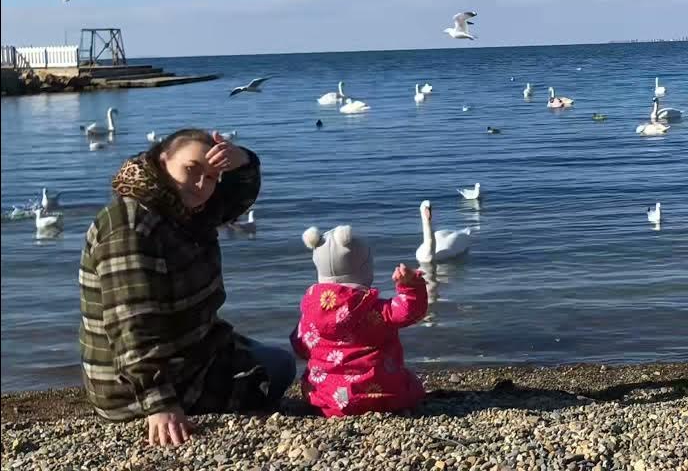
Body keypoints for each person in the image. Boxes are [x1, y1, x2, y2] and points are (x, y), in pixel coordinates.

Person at [79, 130, 296, 447]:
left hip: (188, 349)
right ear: (162, 159)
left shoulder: (181, 210)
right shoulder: (129, 226)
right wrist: (160, 404)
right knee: (279, 368)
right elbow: (132, 323)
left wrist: (243, 160)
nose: (200, 185)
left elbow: (236, 198)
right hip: (131, 387)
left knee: (275, 361)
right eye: (191, 170)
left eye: (211, 177)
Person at [291, 225, 429, 417]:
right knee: (412, 383)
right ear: (365, 267)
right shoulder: (377, 310)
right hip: (381, 395)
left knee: (317, 383)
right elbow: (411, 312)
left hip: (327, 398)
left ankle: (330, 407)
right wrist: (411, 287)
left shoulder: (310, 313)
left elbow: (300, 346)